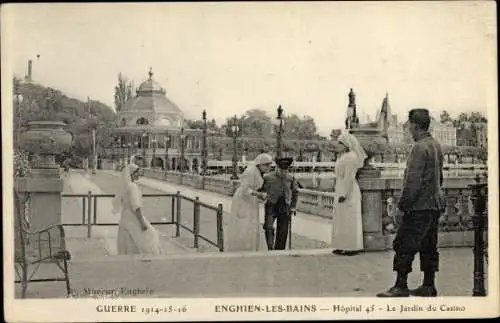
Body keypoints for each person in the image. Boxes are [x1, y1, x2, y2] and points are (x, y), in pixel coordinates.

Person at [377, 109, 444, 297]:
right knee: (429, 245)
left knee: (404, 244)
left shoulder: (419, 148)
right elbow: (440, 179)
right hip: (434, 204)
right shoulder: (436, 145)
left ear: (414, 125)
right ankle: (429, 285)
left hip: (418, 207)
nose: (408, 131)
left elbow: (412, 182)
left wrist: (402, 207)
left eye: (409, 127)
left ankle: (400, 285)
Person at [225, 153, 273, 251]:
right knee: (244, 223)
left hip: (250, 200)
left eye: (269, 165)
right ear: (260, 164)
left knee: (251, 223)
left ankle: (250, 245)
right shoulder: (251, 172)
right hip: (243, 200)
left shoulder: (257, 172)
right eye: (266, 165)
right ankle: (242, 246)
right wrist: (260, 195)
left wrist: (259, 196)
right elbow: (245, 190)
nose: (268, 168)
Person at [113, 163, 163, 255]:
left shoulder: (126, 186)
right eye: (137, 173)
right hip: (133, 217)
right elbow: (136, 206)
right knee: (150, 235)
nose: (139, 174)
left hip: (125, 217)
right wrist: (142, 223)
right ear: (132, 174)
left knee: (128, 240)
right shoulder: (132, 187)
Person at [331, 131, 367, 256]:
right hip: (341, 186)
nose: (338, 145)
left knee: (349, 218)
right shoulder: (343, 156)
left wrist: (344, 193)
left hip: (349, 190)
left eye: (340, 143)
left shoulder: (351, 157)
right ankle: (341, 245)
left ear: (346, 144)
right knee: (342, 218)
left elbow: (349, 177)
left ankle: (352, 246)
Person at [262, 157, 299, 250]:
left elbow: (295, 193)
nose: (283, 172)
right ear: (276, 168)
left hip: (285, 206)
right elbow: (260, 188)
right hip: (271, 205)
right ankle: (270, 248)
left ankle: (279, 250)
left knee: (283, 230)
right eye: (281, 170)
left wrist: (293, 206)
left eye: (285, 170)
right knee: (268, 227)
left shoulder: (291, 179)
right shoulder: (267, 177)